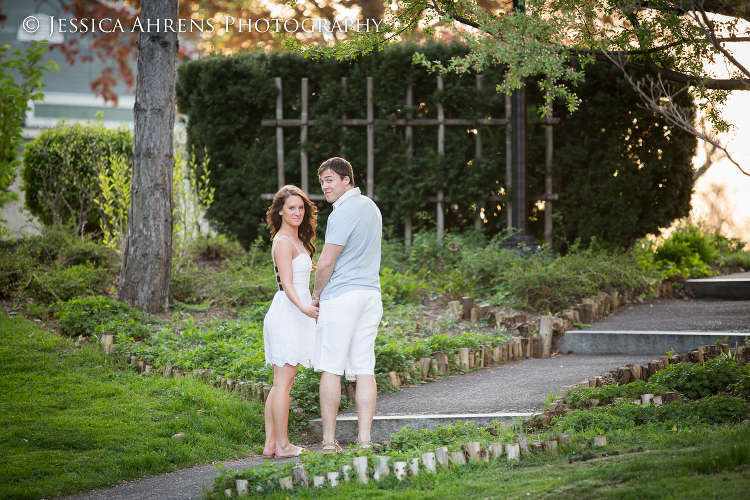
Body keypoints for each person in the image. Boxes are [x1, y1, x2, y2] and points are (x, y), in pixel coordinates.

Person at [311, 157, 383, 453]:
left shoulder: (342, 211)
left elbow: (326, 262)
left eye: (329, 180)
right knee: (364, 367)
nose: (325, 187)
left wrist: (315, 296)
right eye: (322, 182)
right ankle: (364, 441)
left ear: (346, 180)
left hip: (342, 296)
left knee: (331, 366)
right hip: (371, 295)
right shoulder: (371, 207)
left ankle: (329, 442)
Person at [262, 185, 319, 458]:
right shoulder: (283, 242)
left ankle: (271, 444)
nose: (297, 212)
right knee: (283, 382)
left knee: (281, 382)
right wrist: (304, 308)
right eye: (291, 208)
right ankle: (283, 445)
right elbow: (286, 283)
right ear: (280, 212)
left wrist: (310, 304)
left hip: (297, 310)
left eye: (300, 207)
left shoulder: (297, 240)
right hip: (288, 311)